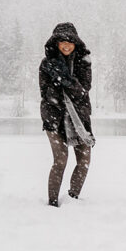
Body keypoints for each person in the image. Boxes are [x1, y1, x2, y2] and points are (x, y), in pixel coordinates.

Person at [40, 22, 95, 207]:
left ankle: (73, 199)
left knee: (84, 159)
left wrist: (64, 79)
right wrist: (61, 83)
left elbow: (82, 92)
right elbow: (47, 94)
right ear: (56, 43)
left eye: (70, 42)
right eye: (62, 41)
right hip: (54, 119)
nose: (66, 45)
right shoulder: (47, 64)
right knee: (61, 159)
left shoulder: (83, 62)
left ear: (76, 44)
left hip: (79, 118)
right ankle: (53, 203)